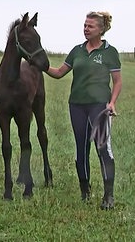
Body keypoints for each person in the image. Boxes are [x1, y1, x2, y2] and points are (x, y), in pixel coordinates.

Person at [45, 11, 122, 210]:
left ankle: (108, 196)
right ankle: (84, 191)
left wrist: (112, 102)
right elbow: (59, 73)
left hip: (100, 106)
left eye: (90, 26)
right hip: (77, 105)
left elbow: (117, 82)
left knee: (103, 148)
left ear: (101, 29)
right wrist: (41, 65)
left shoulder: (109, 52)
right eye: (85, 25)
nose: (86, 29)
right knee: (81, 150)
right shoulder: (77, 51)